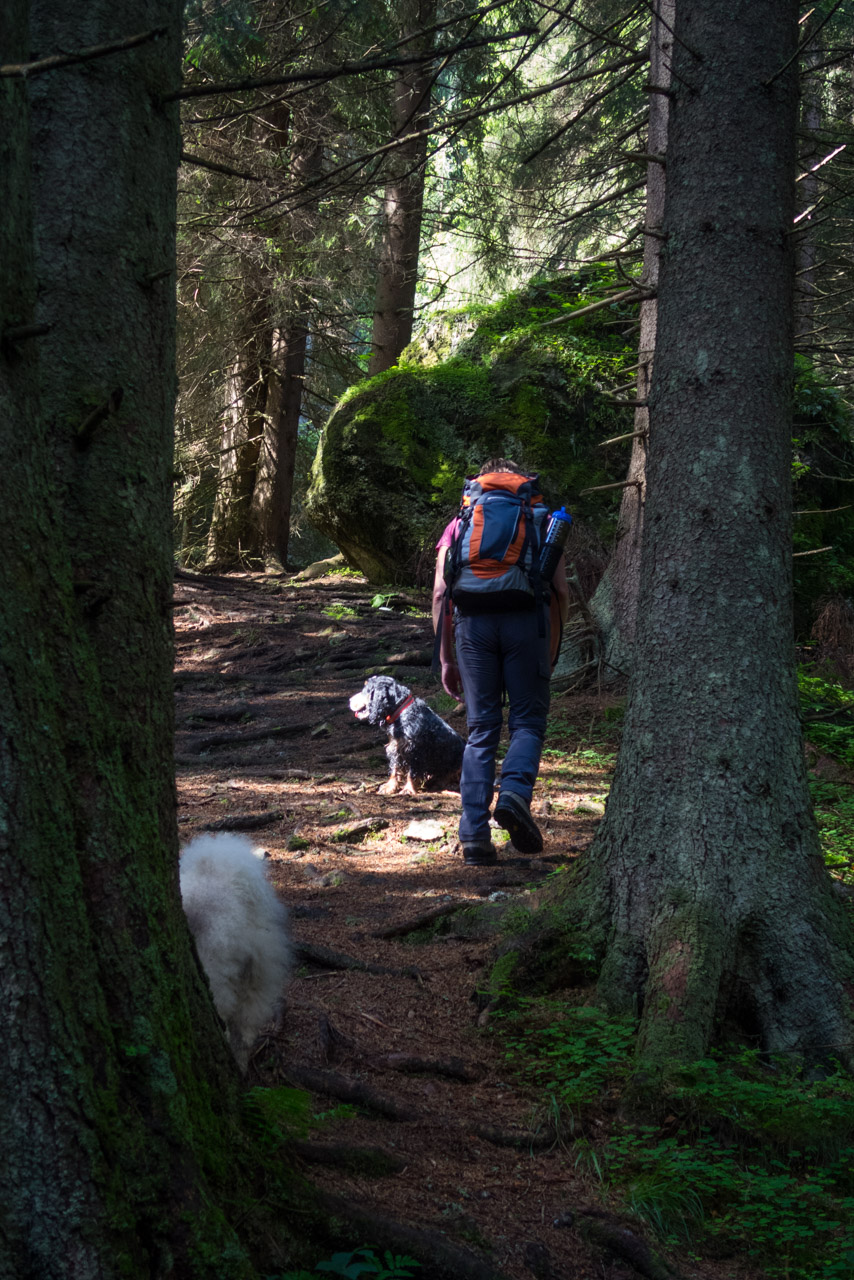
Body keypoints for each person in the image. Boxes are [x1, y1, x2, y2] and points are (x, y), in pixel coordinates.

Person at [433, 459, 570, 866]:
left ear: (479, 482)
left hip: (472, 627)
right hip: (526, 625)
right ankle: (513, 794)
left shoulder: (461, 520)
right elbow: (560, 591)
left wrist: (445, 657)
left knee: (481, 730)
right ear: (520, 482)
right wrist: (552, 646)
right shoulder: (540, 517)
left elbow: (442, 593)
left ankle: (473, 836)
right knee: (527, 721)